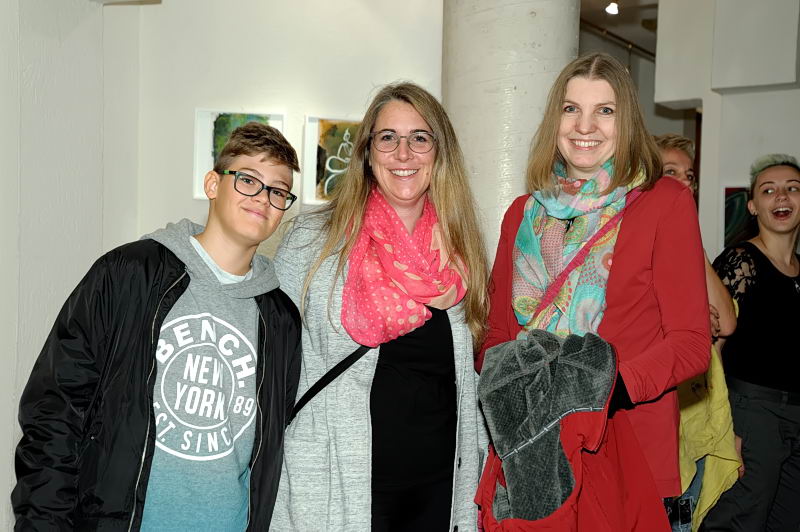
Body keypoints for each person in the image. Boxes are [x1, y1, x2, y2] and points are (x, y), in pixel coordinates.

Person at [12, 122, 303, 531]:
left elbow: (271, 443)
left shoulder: (280, 319)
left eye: (278, 191)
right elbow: (55, 410)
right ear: (213, 184)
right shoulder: (128, 273)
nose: (263, 198)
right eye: (248, 180)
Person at [479, 53, 710, 530]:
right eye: (571, 109)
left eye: (605, 110)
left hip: (627, 450)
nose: (585, 126)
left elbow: (690, 344)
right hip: (533, 454)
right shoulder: (522, 213)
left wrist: (599, 389)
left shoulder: (664, 203)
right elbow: (497, 337)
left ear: (627, 123)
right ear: (555, 120)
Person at [270, 82, 489, 531]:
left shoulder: (461, 254)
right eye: (387, 137)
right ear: (367, 154)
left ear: (439, 153)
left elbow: (467, 379)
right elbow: (273, 367)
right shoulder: (312, 242)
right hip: (335, 489)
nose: (403, 153)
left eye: (419, 138)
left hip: (438, 494)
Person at [702, 154, 800, 531]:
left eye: (792, 188)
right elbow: (712, 345)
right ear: (753, 206)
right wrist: (724, 428)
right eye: (769, 190)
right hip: (752, 411)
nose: (782, 196)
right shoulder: (740, 260)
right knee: (740, 519)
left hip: (796, 412)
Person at [654, 133, 740, 532]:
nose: (684, 183)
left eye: (689, 176)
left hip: (696, 418)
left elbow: (726, 321)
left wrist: (691, 242)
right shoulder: (625, 242)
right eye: (670, 172)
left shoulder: (689, 243)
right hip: (656, 423)